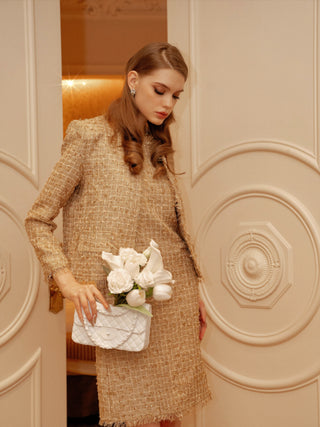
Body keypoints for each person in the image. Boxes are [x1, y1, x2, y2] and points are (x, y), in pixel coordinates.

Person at [25, 42, 211, 427]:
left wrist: (198, 294)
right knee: (129, 412)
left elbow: (171, 231)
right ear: (133, 80)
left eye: (176, 96)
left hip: (173, 301)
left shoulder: (158, 146)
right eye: (159, 91)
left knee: (171, 414)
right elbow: (38, 219)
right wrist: (68, 281)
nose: (167, 104)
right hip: (119, 303)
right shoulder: (89, 136)